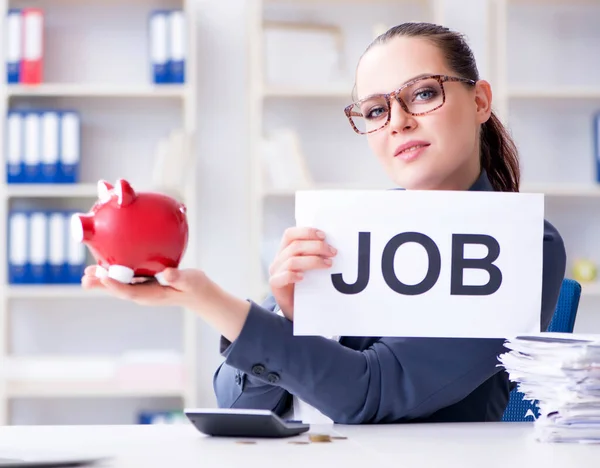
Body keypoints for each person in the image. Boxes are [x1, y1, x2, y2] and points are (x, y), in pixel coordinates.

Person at [82, 22, 566, 424]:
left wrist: (209, 299)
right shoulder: (348, 232)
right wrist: (292, 319)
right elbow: (239, 406)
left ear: (480, 101)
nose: (397, 121)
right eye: (376, 110)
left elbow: (374, 392)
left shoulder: (522, 242)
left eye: (422, 94)